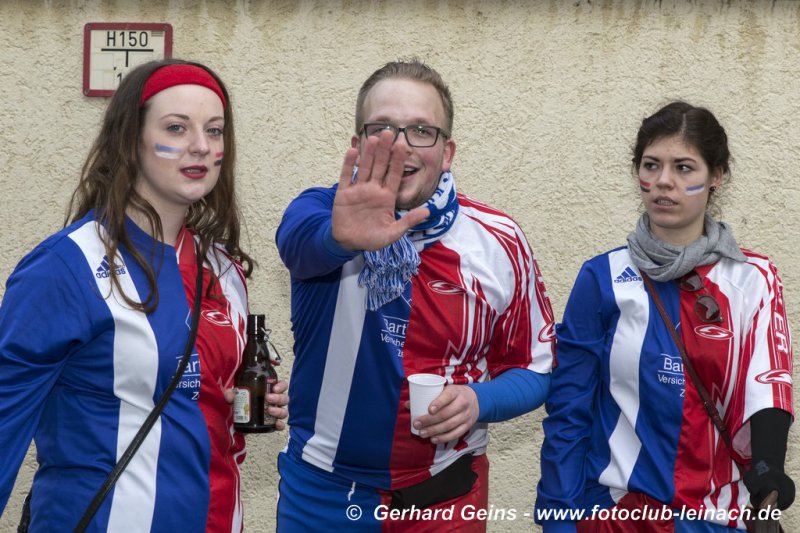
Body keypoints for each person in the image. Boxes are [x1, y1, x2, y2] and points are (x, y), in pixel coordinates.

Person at [0, 59, 288, 532]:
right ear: (130, 139)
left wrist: (239, 400)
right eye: (176, 127)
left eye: (214, 131)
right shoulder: (65, 266)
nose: (201, 145)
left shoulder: (224, 269)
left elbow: (188, 391)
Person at [275, 58, 555, 532]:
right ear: (358, 144)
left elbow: (537, 366)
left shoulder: (499, 240)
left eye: (422, 131)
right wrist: (342, 240)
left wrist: (479, 400)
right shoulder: (321, 212)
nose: (401, 144)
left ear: (447, 153)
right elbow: (298, 246)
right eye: (382, 128)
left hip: (446, 499)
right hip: (322, 496)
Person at [535, 101, 794, 532]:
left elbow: (768, 388)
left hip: (717, 518)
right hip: (617, 515)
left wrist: (769, 471)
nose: (663, 182)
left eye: (684, 168)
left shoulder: (754, 278)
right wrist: (558, 518)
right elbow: (568, 409)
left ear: (717, 176)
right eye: (651, 165)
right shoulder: (602, 276)